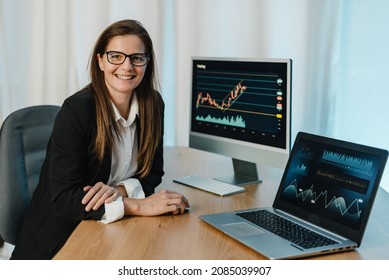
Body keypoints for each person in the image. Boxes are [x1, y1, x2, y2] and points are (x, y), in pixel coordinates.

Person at [11, 19, 189, 260]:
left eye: (137, 58)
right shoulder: (78, 110)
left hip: (110, 229)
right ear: (101, 61)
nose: (127, 66)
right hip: (61, 240)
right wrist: (136, 205)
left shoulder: (153, 104)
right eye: (116, 56)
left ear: (147, 63)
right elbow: (65, 200)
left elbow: (152, 173)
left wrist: (118, 191)